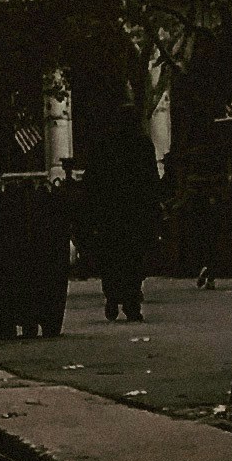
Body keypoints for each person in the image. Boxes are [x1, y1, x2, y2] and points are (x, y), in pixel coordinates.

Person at [82, 108, 163, 324]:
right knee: (133, 257)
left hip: (111, 211)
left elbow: (92, 180)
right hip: (134, 210)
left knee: (111, 257)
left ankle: (114, 296)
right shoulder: (141, 144)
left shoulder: (104, 144)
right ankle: (131, 301)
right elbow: (151, 179)